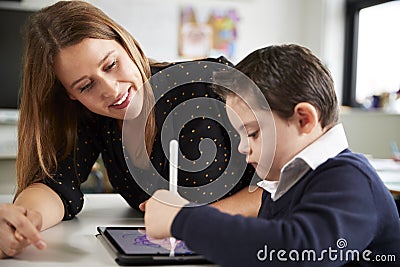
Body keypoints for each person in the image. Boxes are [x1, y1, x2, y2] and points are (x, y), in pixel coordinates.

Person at [0, 0, 259, 259]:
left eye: (111, 65)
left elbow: (288, 183)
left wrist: (194, 220)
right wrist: (23, 220)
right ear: (70, 95)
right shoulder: (93, 117)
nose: (112, 90)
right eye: (85, 86)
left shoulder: (209, 82)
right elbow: (55, 185)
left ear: (127, 44)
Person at [144, 44, 400, 266]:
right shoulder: (285, 182)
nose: (243, 147)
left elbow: (295, 252)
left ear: (304, 119)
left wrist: (183, 219)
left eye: (253, 133)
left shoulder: (351, 181)